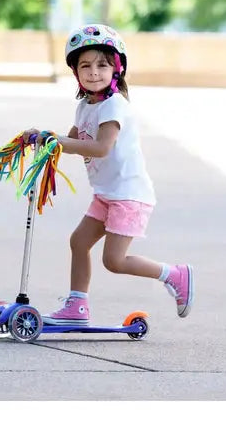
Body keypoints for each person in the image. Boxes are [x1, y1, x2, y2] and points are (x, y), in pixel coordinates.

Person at [25, 23, 194, 325]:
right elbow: (72, 140)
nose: (93, 72)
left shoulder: (114, 106)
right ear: (75, 72)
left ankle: (175, 275)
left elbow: (100, 147)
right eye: (85, 65)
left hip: (129, 196)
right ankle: (77, 307)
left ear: (116, 69)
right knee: (79, 242)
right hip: (107, 194)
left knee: (114, 261)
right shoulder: (85, 105)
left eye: (102, 65)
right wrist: (41, 138)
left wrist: (59, 142)